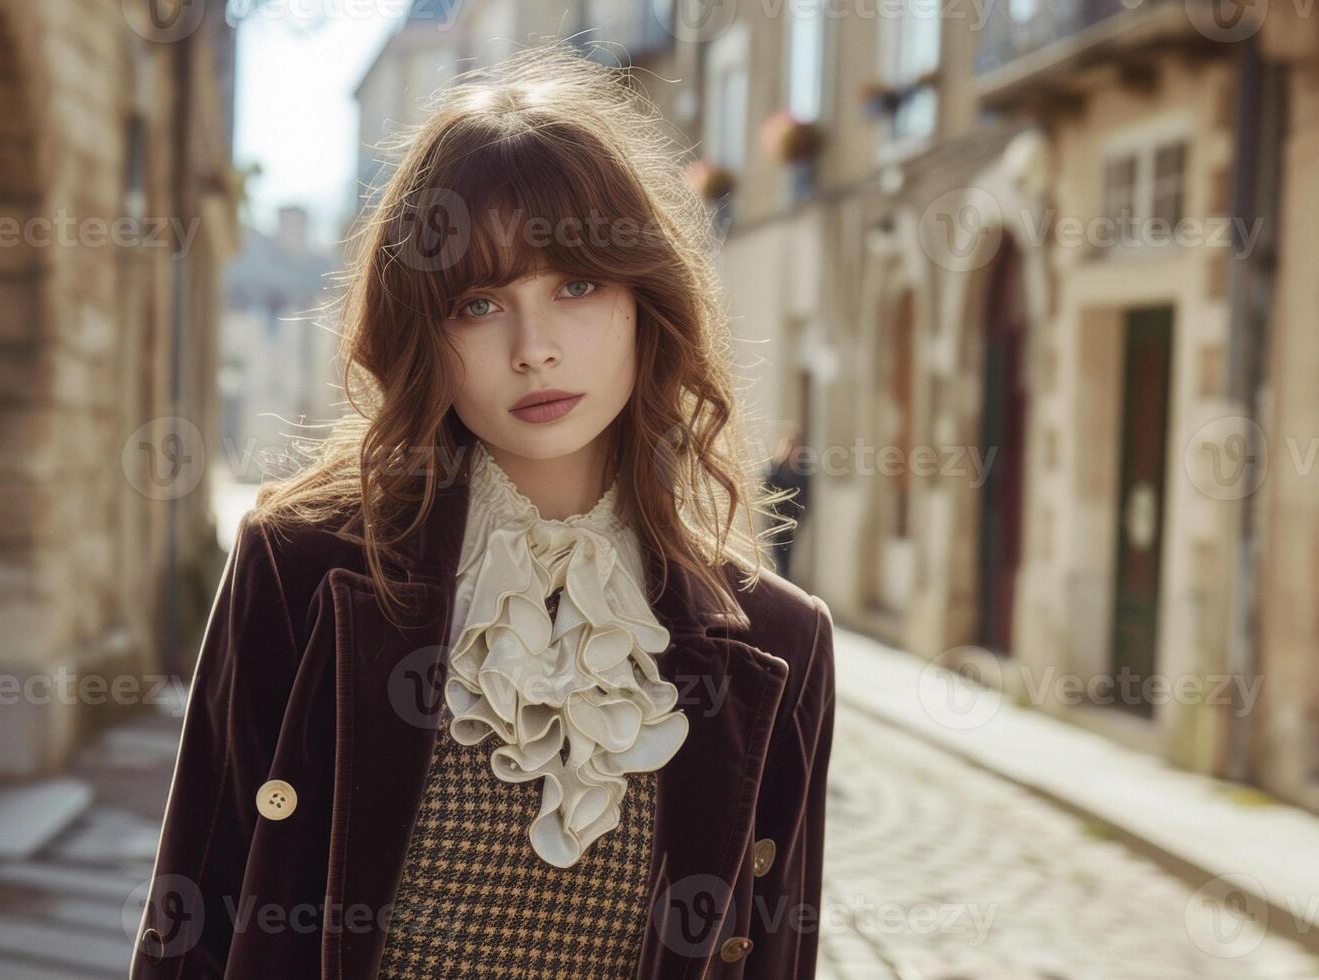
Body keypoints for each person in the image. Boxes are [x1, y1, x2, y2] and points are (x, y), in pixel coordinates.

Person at [131, 44, 836, 980]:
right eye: (477, 302)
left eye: (575, 286)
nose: (533, 348)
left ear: (643, 303)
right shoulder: (300, 570)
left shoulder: (779, 644)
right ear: (423, 332)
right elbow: (193, 926)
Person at [763, 424, 812, 581]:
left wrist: (799, 518)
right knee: (775, 556)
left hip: (792, 521)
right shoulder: (775, 468)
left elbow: (805, 497)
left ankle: (785, 584)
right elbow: (766, 491)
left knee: (786, 558)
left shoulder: (802, 470)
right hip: (776, 520)